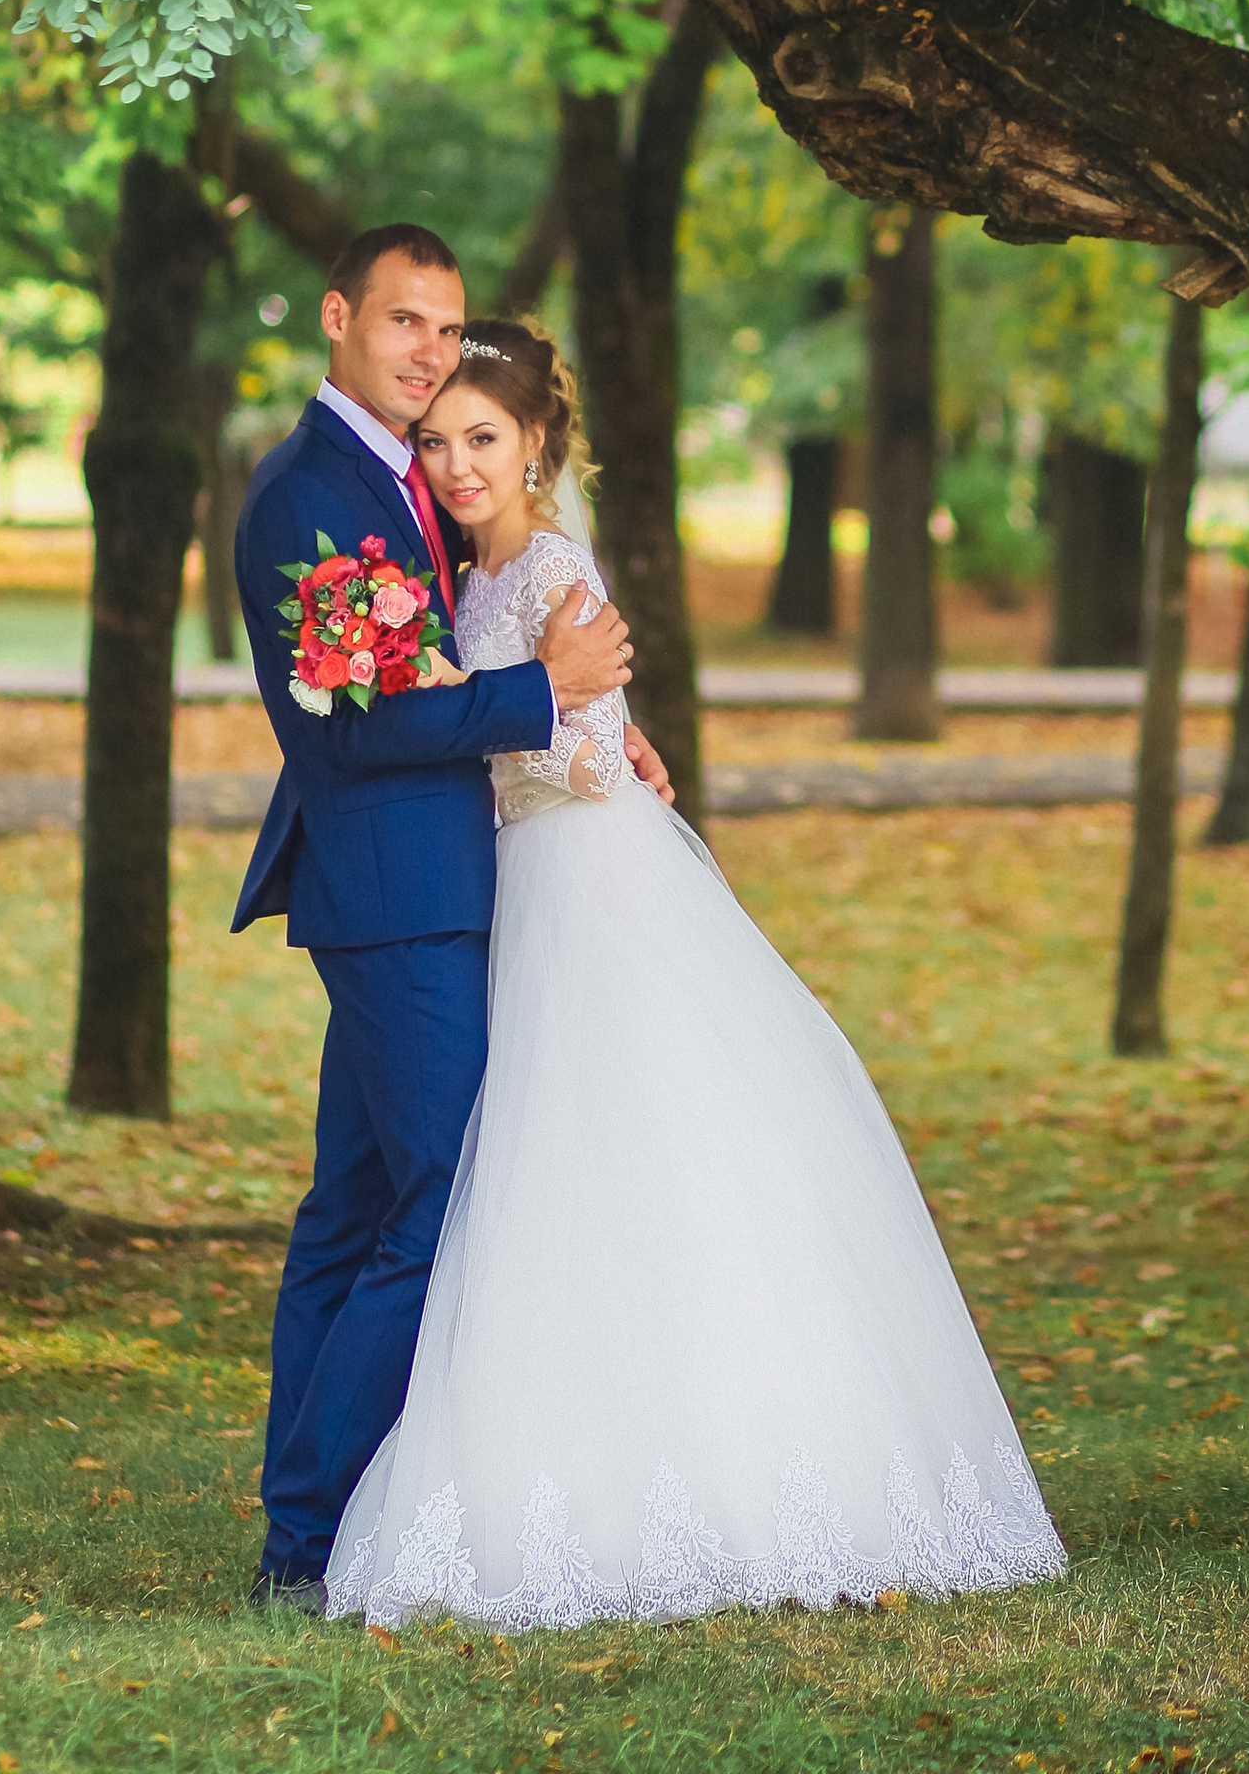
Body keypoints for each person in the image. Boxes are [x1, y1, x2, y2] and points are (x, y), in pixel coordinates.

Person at [326, 315, 1066, 1631]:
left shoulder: (555, 571)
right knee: (552, 1178)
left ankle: (753, 1476)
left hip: (584, 882)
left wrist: (479, 731)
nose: (456, 467)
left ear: (540, 442)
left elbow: (590, 760)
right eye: (436, 444)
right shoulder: (456, 574)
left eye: (483, 440)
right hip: (522, 888)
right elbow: (571, 717)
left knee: (639, 1158)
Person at [231, 224, 667, 1606]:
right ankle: (308, 1538)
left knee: (352, 1211)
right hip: (401, 897)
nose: (426, 352)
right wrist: (543, 694)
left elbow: (455, 649)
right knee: (428, 1215)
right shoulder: (310, 494)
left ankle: (306, 1513)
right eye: (405, 323)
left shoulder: (406, 481)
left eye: (445, 327)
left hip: (430, 887)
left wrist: (602, 729)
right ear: (339, 317)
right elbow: (357, 730)